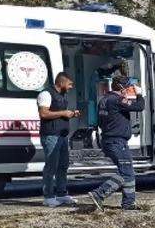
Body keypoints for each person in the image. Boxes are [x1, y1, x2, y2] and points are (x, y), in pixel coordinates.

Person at [87, 76, 146, 211]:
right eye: (128, 87)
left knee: (128, 172)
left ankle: (128, 204)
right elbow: (140, 106)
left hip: (110, 140)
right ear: (121, 88)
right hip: (116, 141)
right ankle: (99, 194)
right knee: (126, 172)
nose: (129, 89)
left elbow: (100, 122)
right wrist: (139, 94)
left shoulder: (104, 100)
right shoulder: (117, 100)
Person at [37, 71, 81, 207]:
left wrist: (71, 114)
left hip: (62, 136)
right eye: (69, 84)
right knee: (51, 166)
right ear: (61, 82)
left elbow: (59, 114)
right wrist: (63, 113)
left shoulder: (62, 96)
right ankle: (48, 196)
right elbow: (43, 113)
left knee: (63, 165)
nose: (70, 87)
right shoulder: (46, 94)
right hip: (50, 135)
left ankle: (62, 194)